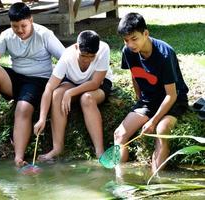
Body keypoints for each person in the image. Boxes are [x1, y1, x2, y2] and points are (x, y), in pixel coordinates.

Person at [0, 2, 65, 167]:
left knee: (22, 108)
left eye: (24, 26)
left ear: (31, 20)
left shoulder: (44, 34)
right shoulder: (8, 35)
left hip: (39, 80)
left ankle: (19, 158)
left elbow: (65, 58)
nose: (20, 30)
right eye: (16, 26)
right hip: (16, 79)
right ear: (10, 24)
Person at [114, 13, 189, 172]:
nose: (130, 44)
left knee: (160, 131)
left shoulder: (164, 54)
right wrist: (139, 100)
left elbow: (172, 95)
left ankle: (154, 180)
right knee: (119, 134)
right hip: (148, 100)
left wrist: (153, 121)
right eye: (126, 40)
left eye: (134, 39)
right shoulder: (128, 51)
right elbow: (135, 75)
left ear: (145, 34)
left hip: (173, 99)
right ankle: (120, 181)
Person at [34, 30, 113, 161]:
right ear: (76, 47)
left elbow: (95, 83)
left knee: (86, 98)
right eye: (83, 56)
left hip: (98, 84)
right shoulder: (67, 57)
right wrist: (42, 118)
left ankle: (100, 152)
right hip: (73, 82)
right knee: (57, 93)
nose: (87, 60)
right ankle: (57, 148)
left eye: (91, 57)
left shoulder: (103, 49)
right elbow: (49, 88)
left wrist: (70, 92)